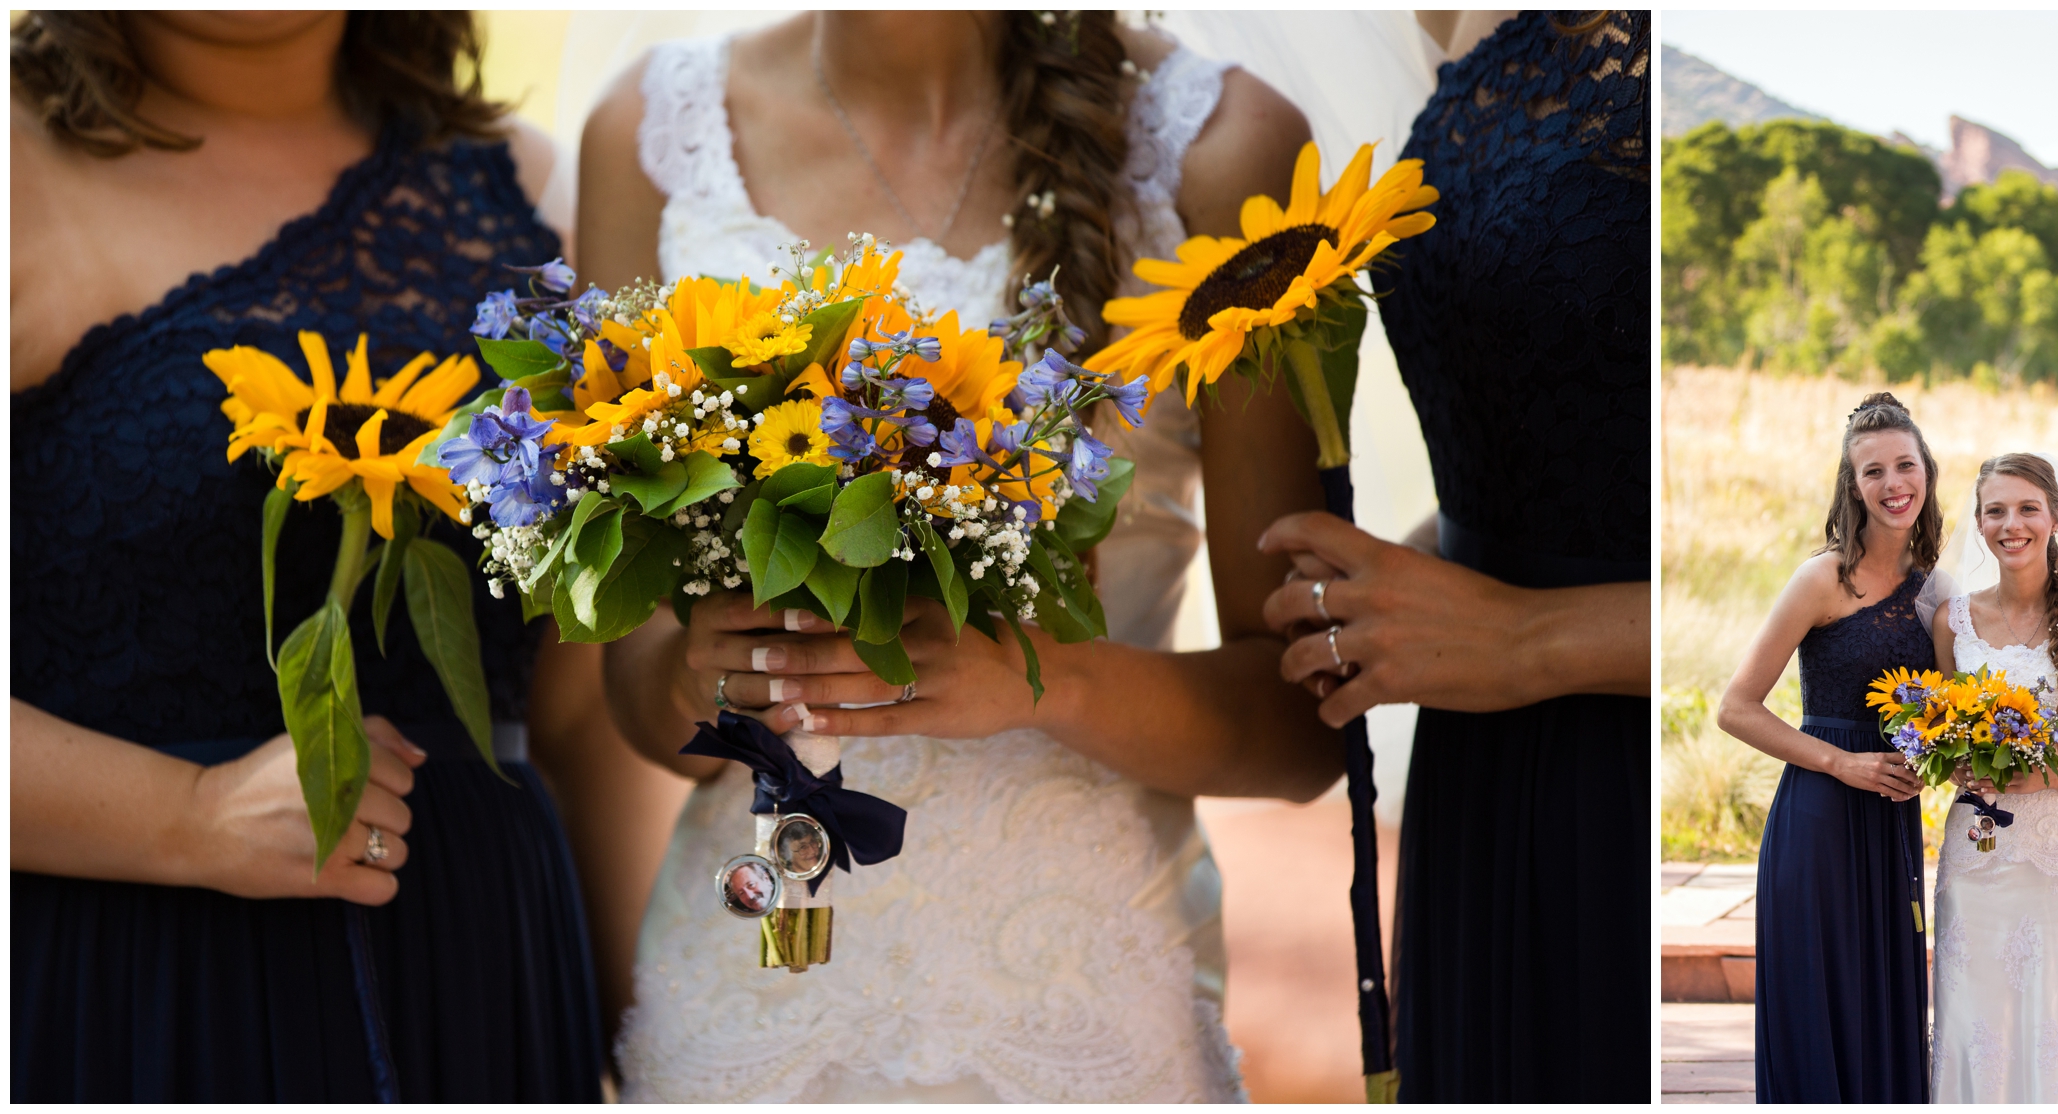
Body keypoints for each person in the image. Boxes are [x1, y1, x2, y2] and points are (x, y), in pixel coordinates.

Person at [575, 10, 1341, 1102]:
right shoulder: (654, 133)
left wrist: (1039, 673)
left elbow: (1295, 725)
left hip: (1079, 1001)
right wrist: (707, 678)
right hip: (756, 997)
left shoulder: (1226, 148)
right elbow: (636, 685)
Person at [10, 11, 602, 1101]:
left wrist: (643, 1026)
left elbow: (578, 704)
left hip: (485, 976)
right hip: (141, 985)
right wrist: (182, 815)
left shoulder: (539, 187)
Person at [1255, 11, 1650, 1101]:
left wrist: (1532, 635)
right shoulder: (1444, 20)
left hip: (1619, 764)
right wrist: (1407, 572)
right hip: (1479, 775)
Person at [1717, 393, 1939, 1102]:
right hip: (1819, 817)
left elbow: (1947, 708)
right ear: (1852, 486)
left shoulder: (1937, 590)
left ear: (1927, 473)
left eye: (1905, 465)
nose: (1893, 483)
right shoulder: (1823, 578)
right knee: (1822, 999)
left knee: (1884, 995)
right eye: (1873, 471)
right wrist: (1843, 763)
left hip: (1892, 821)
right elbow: (1735, 708)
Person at [1927, 453, 2058, 1102]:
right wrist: (1954, 760)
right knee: (1971, 1033)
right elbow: (1943, 734)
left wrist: (2038, 777)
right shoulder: (1951, 622)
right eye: (1995, 511)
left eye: (2026, 509)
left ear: (2056, 518)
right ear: (1979, 523)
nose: (2010, 524)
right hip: (1976, 857)